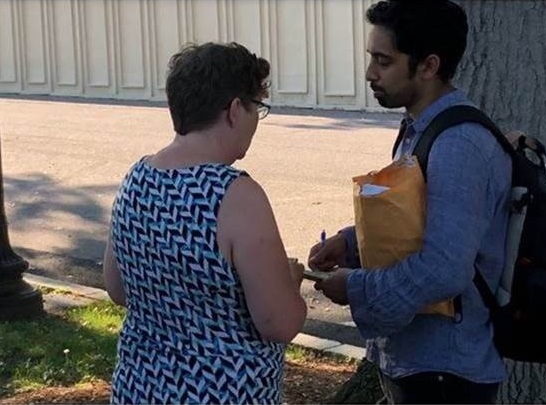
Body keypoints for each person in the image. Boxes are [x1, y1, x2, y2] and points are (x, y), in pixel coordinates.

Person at [308, 1, 511, 404]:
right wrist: (350, 244)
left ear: (428, 66)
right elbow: (416, 223)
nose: (370, 73)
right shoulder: (423, 127)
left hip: (446, 374)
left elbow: (443, 270)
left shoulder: (460, 145)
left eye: (383, 61)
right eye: (371, 58)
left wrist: (357, 287)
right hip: (420, 366)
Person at [103, 42, 307, 404]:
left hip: (138, 389)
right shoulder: (237, 196)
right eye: (257, 106)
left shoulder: (137, 177)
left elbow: (118, 289)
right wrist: (290, 283)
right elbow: (279, 323)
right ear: (233, 110)